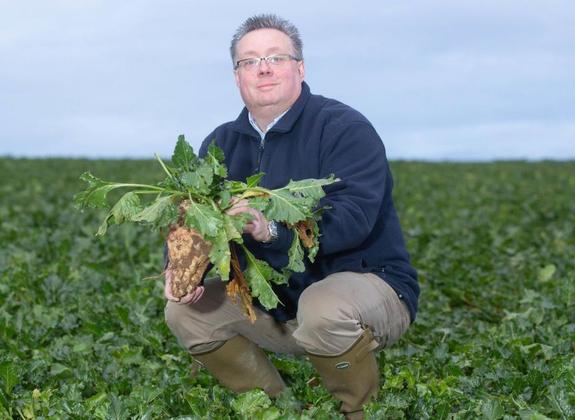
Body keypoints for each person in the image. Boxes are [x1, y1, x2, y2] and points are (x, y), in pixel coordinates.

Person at [164, 14, 419, 419]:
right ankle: (277, 409)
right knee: (184, 312)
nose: (263, 68)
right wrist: (178, 271)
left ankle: (358, 412)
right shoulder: (221, 143)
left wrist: (272, 232)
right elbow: (193, 217)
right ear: (237, 77)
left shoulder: (343, 128)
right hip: (277, 303)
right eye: (249, 61)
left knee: (323, 306)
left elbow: (353, 218)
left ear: (299, 68)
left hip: (371, 288)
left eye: (276, 57)